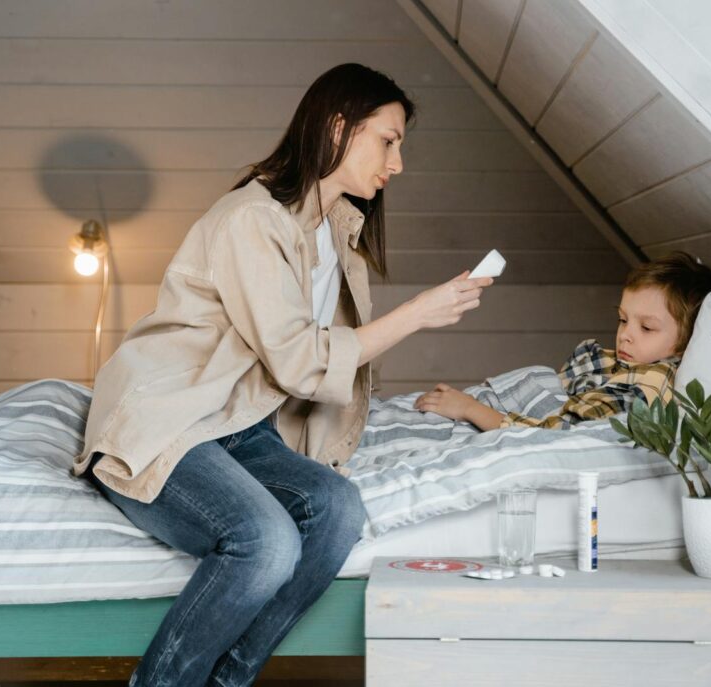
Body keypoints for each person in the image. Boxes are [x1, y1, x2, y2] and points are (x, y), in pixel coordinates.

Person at [73, 63, 493, 687]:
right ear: (337, 127)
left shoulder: (338, 236)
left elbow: (319, 374)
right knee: (266, 542)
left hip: (242, 429)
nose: (398, 162)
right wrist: (416, 314)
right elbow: (301, 360)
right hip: (174, 421)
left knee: (337, 509)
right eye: (389, 139)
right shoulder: (253, 218)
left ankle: (226, 682)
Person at [414, 251, 711, 431]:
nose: (626, 334)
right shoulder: (615, 360)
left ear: (685, 341)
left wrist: (471, 409)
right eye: (623, 319)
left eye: (647, 328)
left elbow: (556, 436)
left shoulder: (647, 384)